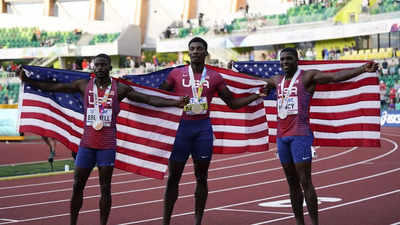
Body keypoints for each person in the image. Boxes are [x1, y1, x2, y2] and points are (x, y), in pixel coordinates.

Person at [18, 53, 188, 225]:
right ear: (93, 67)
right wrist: (28, 80)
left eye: (103, 65)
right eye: (97, 65)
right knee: (77, 186)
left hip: (107, 146)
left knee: (105, 189)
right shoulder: (83, 84)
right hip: (86, 145)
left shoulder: (119, 88)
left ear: (109, 67)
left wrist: (174, 103)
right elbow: (54, 88)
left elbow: (149, 99)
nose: (100, 68)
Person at [258, 47, 378, 225]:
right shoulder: (277, 80)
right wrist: (234, 70)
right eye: (282, 60)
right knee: (291, 184)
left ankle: (314, 223)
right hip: (282, 137)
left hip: (300, 136)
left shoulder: (308, 77)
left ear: (296, 61)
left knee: (305, 181)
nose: (284, 62)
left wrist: (362, 69)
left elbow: (335, 77)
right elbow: (253, 81)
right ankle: (299, 221)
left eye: (289, 59)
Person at [159, 37, 267, 225]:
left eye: (199, 48)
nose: (195, 52)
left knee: (201, 177)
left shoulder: (215, 77)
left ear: (205, 52)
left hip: (202, 131)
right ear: (188, 52)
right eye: (191, 49)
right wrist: (172, 102)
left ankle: (198, 220)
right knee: (173, 177)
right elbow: (159, 95)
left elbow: (232, 102)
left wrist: (255, 95)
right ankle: (165, 221)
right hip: (181, 130)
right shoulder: (176, 74)